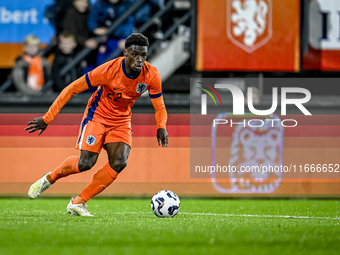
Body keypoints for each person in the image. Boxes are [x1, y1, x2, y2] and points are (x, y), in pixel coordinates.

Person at [25, 33, 168, 216]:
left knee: (119, 162)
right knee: (86, 163)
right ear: (125, 53)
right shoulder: (107, 70)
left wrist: (161, 126)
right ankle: (49, 178)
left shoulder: (151, 74)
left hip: (121, 120)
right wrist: (47, 118)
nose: (139, 59)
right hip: (97, 116)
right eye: (135, 54)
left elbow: (160, 106)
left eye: (143, 55)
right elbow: (71, 89)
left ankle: (78, 202)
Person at [87, 0, 135, 66]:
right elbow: (91, 20)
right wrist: (96, 29)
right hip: (105, 38)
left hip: (120, 37)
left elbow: (129, 22)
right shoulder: (100, 5)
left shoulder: (125, 4)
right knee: (101, 59)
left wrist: (126, 38)